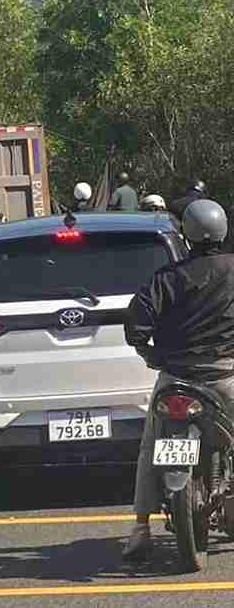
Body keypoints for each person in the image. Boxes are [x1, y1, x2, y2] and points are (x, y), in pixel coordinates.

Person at [122, 199, 234, 561]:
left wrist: (149, 354)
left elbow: (136, 324)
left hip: (177, 379)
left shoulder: (166, 278)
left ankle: (140, 527)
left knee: (149, 445)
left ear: (186, 234)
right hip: (225, 377)